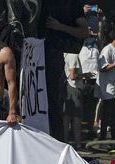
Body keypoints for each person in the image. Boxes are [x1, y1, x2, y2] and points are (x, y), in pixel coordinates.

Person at [37, 1, 89, 141]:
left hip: (52, 57)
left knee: (53, 103)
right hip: (31, 57)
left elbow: (84, 31)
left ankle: (56, 140)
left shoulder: (70, 4)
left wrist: (60, 27)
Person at [98, 30, 115, 141]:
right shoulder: (107, 50)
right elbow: (102, 68)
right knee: (107, 111)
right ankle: (103, 135)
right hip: (107, 85)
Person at [64, 51, 84, 149]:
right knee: (76, 117)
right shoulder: (74, 55)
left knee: (67, 116)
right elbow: (72, 76)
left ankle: (66, 141)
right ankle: (78, 143)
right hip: (74, 88)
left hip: (69, 88)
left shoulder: (67, 54)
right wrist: (84, 75)